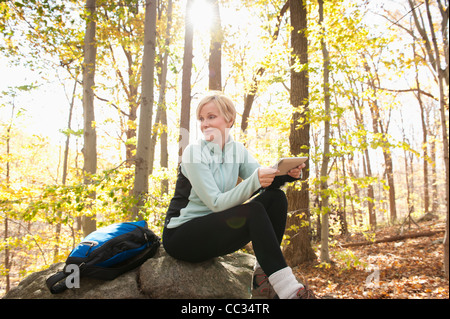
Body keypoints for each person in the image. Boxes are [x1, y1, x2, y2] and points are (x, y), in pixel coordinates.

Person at [162, 92, 317, 299]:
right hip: (182, 235)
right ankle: (290, 292)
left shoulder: (237, 150)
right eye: (201, 118)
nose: (204, 123)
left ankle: (263, 279)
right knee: (254, 210)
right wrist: (255, 180)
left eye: (211, 116)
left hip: (214, 229)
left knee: (275, 198)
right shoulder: (193, 152)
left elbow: (263, 179)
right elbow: (216, 203)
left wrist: (286, 174)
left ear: (230, 119)